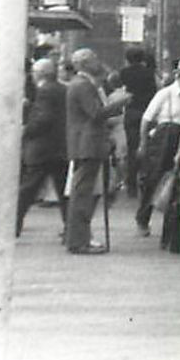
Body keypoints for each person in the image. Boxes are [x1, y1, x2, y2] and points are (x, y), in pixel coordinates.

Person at [64, 49, 130, 254]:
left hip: (86, 143)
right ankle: (78, 240)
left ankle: (79, 237)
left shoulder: (81, 84)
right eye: (93, 59)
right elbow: (96, 113)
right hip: (88, 144)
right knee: (82, 194)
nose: (97, 62)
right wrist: (120, 103)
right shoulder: (83, 85)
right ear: (85, 63)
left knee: (83, 192)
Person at [137, 57, 180, 236]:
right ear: (178, 76)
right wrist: (143, 144)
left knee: (179, 181)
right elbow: (146, 119)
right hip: (164, 138)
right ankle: (143, 218)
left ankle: (171, 226)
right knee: (153, 179)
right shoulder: (166, 94)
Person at [16, 56, 69, 235]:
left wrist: (26, 130)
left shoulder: (44, 91)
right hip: (60, 147)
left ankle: (13, 224)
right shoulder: (63, 88)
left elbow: (44, 118)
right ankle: (71, 227)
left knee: (27, 190)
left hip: (42, 148)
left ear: (39, 74)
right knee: (64, 192)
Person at [117, 47, 157, 198]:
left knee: (132, 147)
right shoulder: (149, 74)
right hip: (146, 112)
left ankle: (131, 183)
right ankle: (145, 179)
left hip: (131, 111)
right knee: (147, 146)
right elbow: (153, 91)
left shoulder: (124, 73)